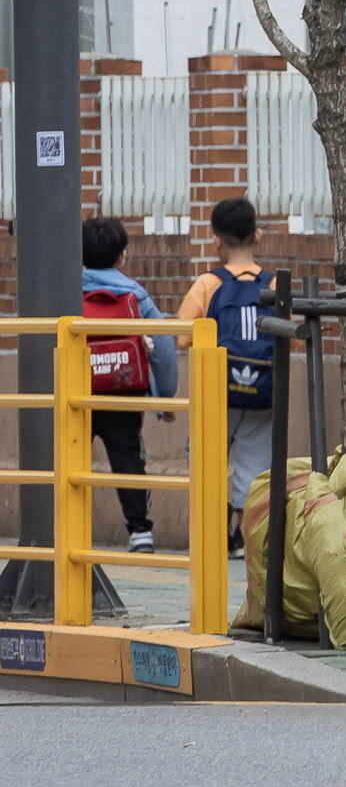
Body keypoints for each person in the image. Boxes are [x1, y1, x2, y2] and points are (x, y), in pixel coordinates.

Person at [176, 198, 275, 553]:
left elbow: (183, 336)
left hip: (217, 389)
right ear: (258, 237)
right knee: (255, 464)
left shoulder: (207, 284)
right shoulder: (275, 283)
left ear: (215, 238)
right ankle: (246, 537)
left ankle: (213, 533)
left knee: (206, 457)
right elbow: (291, 337)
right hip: (264, 390)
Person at [82, 218, 179, 555]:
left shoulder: (67, 291)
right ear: (122, 256)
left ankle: (65, 526)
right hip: (123, 388)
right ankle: (139, 531)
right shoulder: (135, 294)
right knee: (127, 457)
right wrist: (164, 397)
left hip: (77, 388)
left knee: (69, 456)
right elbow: (163, 346)